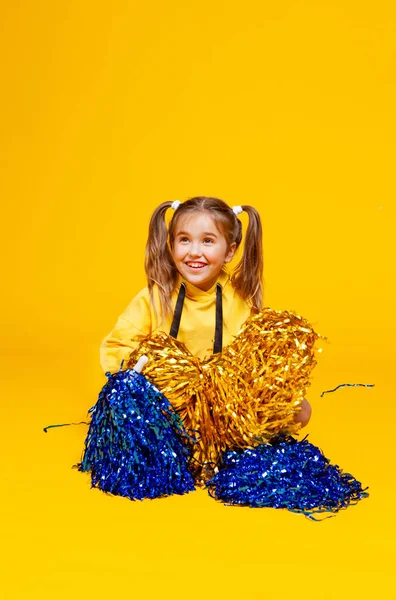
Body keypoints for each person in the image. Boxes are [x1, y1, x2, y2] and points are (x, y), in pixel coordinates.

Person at [100, 196, 312, 427]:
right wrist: (152, 378)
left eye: (207, 241)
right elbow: (117, 346)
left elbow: (254, 358)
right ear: (171, 245)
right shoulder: (155, 296)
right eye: (184, 240)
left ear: (229, 252)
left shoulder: (240, 298)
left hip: (223, 404)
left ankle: (224, 442)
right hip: (167, 401)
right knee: (121, 411)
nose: (194, 252)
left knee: (301, 410)